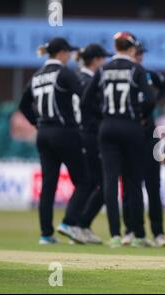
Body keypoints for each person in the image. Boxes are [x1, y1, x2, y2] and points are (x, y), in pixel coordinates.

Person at [80, 32, 156, 247]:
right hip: (130, 126)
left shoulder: (103, 70)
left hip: (107, 127)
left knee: (110, 181)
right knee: (133, 181)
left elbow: (85, 100)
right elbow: (150, 100)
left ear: (115, 47)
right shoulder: (136, 69)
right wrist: (139, 114)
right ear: (132, 49)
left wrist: (102, 114)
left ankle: (115, 234)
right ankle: (137, 234)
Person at [18, 37, 91, 245]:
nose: (69, 57)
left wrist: (37, 123)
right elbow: (83, 95)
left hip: (43, 134)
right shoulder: (64, 73)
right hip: (65, 132)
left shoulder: (37, 76)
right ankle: (69, 222)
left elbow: (23, 105)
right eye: (68, 53)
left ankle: (45, 234)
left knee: (48, 186)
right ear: (61, 53)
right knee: (84, 181)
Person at [121, 41, 165, 247]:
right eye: (136, 52)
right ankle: (131, 230)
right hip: (128, 133)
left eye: (141, 53)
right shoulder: (122, 74)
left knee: (153, 184)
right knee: (130, 185)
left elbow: (164, 87)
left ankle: (158, 232)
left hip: (149, 134)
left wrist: (152, 103)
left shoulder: (149, 74)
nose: (139, 56)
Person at [74, 44, 112, 244]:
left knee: (89, 182)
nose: (105, 63)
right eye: (103, 59)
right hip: (91, 135)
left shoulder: (75, 77)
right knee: (104, 183)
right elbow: (95, 108)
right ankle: (79, 224)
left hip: (76, 135)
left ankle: (79, 225)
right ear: (96, 60)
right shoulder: (90, 81)